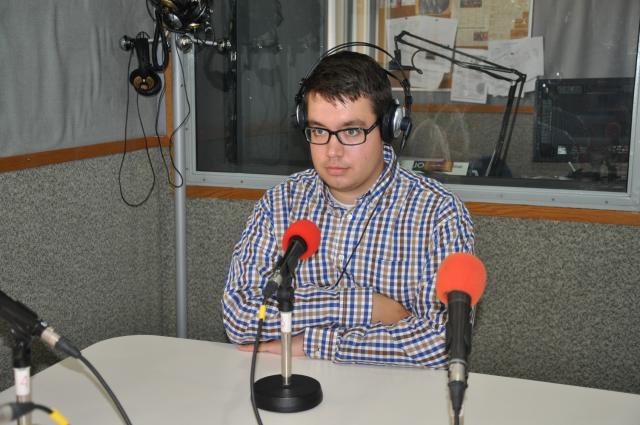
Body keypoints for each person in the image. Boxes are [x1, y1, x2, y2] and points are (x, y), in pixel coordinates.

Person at [222, 50, 474, 368]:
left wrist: (313, 343)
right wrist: (364, 306)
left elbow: (444, 341)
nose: (332, 151)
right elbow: (240, 318)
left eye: (351, 131)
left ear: (388, 127)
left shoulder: (439, 214)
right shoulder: (280, 203)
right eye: (318, 131)